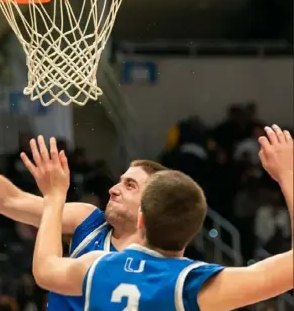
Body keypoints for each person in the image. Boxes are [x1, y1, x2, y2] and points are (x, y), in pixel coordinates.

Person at [30, 126, 293, 311]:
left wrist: (54, 197)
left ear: (141, 221)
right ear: (193, 231)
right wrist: (288, 174)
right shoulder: (192, 285)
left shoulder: (99, 266)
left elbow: (44, 269)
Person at [0, 135, 168, 311]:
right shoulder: (89, 220)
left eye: (130, 185)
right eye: (119, 181)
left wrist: (54, 195)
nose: (114, 189)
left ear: (151, 205)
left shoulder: (160, 270)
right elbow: (10, 200)